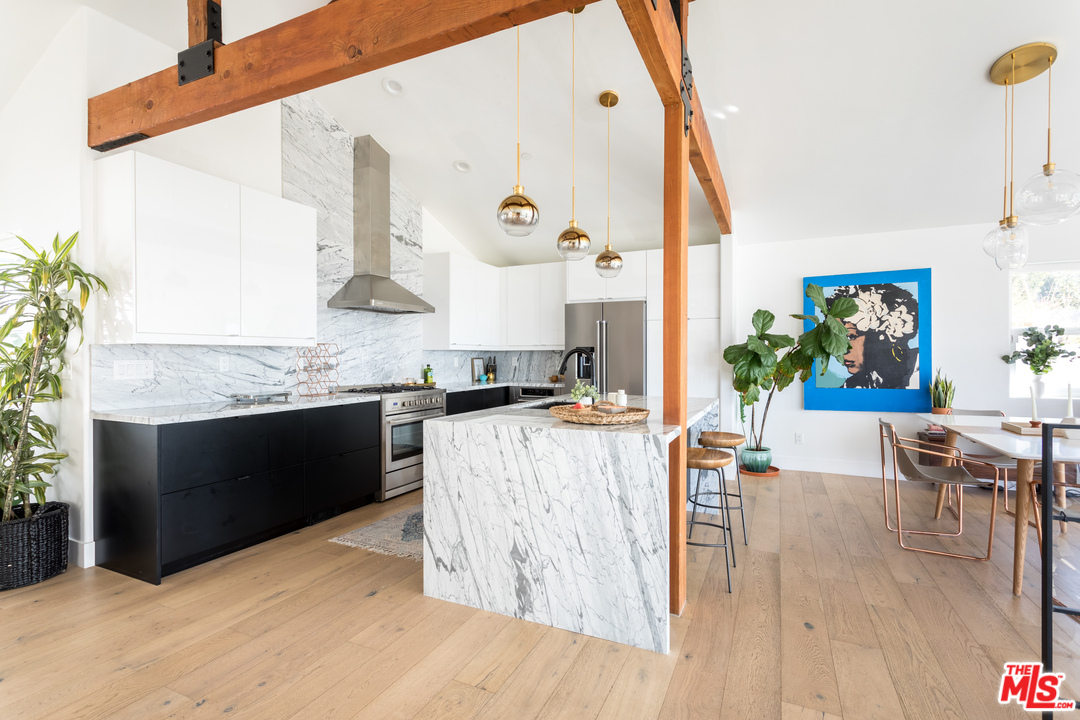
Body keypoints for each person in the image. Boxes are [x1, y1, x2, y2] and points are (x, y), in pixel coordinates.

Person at [828, 283, 919, 389]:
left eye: (851, 337)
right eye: (837, 338)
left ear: (882, 334)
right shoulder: (850, 387)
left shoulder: (918, 370)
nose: (841, 348)